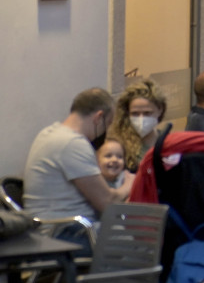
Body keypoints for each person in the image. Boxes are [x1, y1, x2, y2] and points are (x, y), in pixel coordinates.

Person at [24, 88, 134, 242]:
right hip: (64, 233)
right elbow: (106, 202)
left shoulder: (48, 133)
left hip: (48, 230)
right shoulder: (73, 144)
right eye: (107, 124)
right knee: (138, 241)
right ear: (98, 117)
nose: (106, 131)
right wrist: (129, 184)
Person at [108, 79, 167, 172]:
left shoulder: (167, 142)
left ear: (160, 110)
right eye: (135, 114)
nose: (141, 119)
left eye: (147, 113)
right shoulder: (118, 146)